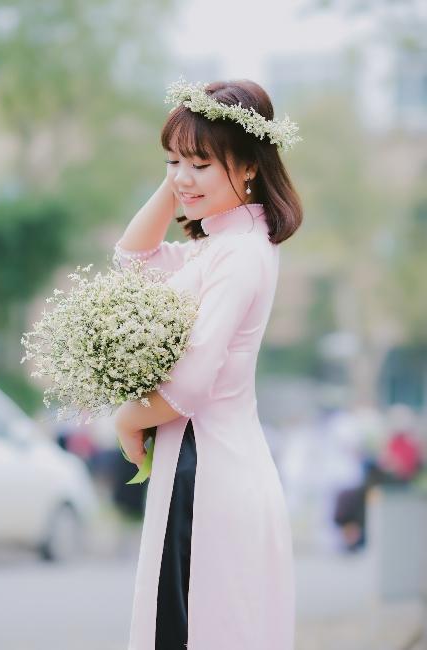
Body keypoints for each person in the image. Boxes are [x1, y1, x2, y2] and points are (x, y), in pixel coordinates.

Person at [113, 77, 303, 650]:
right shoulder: (220, 245)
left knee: (194, 631)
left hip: (208, 470)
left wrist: (128, 420)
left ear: (247, 166)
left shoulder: (239, 254)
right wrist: (183, 183)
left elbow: (191, 381)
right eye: (172, 160)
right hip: (206, 463)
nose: (180, 175)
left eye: (199, 162)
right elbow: (133, 258)